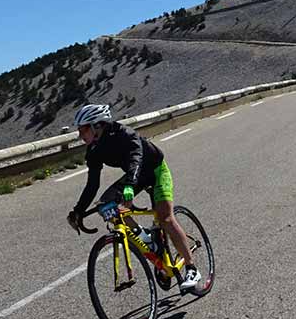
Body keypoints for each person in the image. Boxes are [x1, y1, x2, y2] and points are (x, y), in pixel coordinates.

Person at [65, 103, 200, 291]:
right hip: (135, 176)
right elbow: (92, 185)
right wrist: (78, 211)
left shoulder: (124, 133)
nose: (80, 135)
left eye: (83, 129)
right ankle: (145, 237)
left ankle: (191, 268)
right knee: (106, 205)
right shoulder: (94, 150)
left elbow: (136, 157)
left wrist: (129, 185)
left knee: (166, 218)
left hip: (155, 170)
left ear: (97, 125)